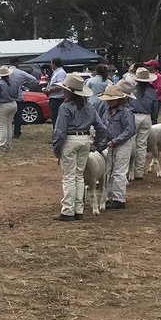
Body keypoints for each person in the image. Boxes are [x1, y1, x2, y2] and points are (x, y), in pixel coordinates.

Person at [51, 73, 106, 220]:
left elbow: (60, 130)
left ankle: (68, 210)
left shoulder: (65, 107)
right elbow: (102, 128)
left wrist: (56, 148)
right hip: (85, 140)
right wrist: (98, 144)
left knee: (68, 176)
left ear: (69, 91)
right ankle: (78, 209)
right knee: (79, 175)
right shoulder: (89, 107)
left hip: (70, 140)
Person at [97, 85, 135, 209]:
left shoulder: (125, 112)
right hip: (112, 143)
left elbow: (130, 130)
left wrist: (115, 141)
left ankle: (119, 198)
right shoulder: (107, 112)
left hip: (122, 144)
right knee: (109, 170)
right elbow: (104, 128)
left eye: (111, 99)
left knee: (119, 171)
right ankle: (111, 196)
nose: (109, 101)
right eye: (108, 99)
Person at [128, 66, 158, 181]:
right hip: (146, 117)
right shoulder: (152, 92)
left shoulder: (132, 90)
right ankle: (139, 172)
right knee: (142, 145)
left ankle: (129, 171)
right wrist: (154, 119)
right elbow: (155, 108)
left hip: (133, 116)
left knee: (132, 144)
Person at [0, 65, 20, 153]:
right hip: (13, 103)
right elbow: (16, 94)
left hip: (3, 105)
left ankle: (2, 146)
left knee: (2, 126)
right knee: (9, 125)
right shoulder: (15, 82)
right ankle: (7, 145)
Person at [6, 66, 36, 138]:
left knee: (8, 116)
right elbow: (33, 79)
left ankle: (7, 132)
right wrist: (24, 84)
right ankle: (17, 132)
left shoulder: (6, 73)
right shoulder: (21, 73)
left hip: (8, 97)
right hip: (18, 97)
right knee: (18, 116)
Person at [144, 59, 161, 124]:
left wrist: (149, 95)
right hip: (147, 100)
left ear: (153, 67)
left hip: (155, 101)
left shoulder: (159, 77)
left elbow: (160, 89)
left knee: (153, 119)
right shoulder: (147, 76)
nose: (146, 67)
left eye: (148, 65)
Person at [47, 57, 67, 126]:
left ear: (55, 64)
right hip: (53, 97)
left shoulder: (61, 73)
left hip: (58, 98)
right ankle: (55, 132)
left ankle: (57, 133)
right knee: (54, 117)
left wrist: (49, 90)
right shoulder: (56, 72)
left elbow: (60, 86)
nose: (50, 65)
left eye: (51, 63)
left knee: (56, 118)